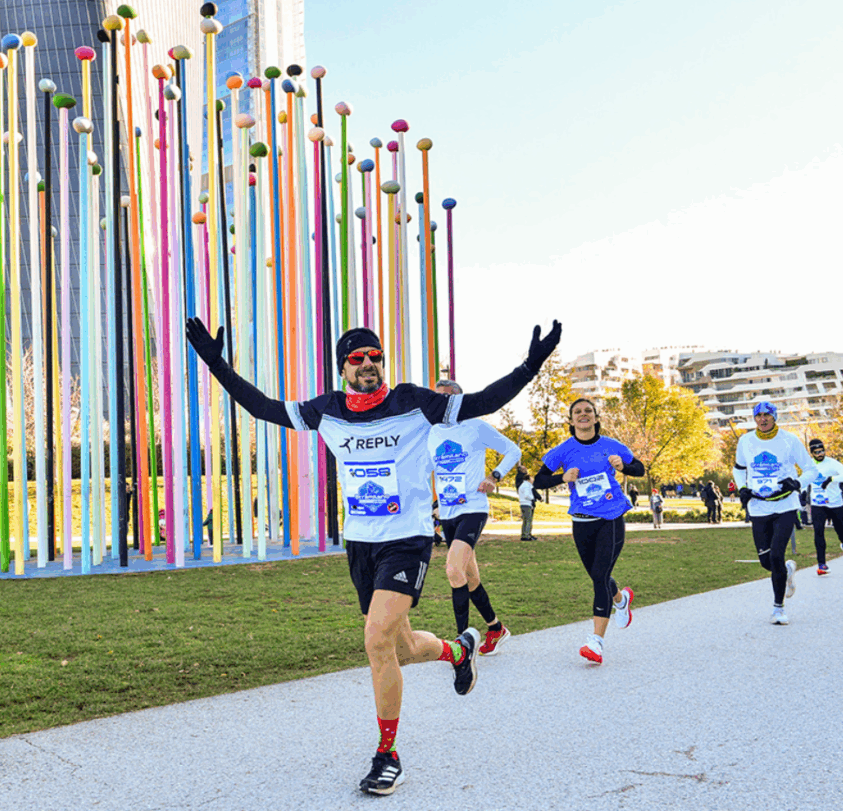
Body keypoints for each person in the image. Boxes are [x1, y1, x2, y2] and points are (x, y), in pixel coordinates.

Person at [185, 315, 561, 796]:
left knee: (376, 638)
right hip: (361, 543)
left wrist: (531, 365)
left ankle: (388, 755)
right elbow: (262, 408)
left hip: (407, 539)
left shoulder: (413, 401)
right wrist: (216, 364)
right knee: (401, 647)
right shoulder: (327, 410)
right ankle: (458, 650)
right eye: (357, 357)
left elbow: (484, 401)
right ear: (343, 367)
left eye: (375, 356)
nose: (368, 363)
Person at [533, 397, 644, 664]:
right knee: (598, 575)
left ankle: (596, 642)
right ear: (571, 420)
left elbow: (639, 468)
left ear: (596, 417)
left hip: (610, 516)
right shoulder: (563, 450)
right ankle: (620, 599)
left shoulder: (611, 445)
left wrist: (623, 467)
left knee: (599, 576)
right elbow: (538, 480)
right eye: (577, 412)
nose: (583, 415)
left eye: (588, 411)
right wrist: (562, 477)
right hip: (581, 521)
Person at [428, 378, 521, 655]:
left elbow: (513, 450)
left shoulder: (475, 426)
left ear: (459, 400)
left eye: (448, 398)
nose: (442, 403)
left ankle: (462, 643)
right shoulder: (431, 432)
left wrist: (494, 476)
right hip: (448, 512)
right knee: (470, 578)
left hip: (473, 508)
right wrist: (432, 505)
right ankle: (496, 628)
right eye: (438, 398)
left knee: (453, 569)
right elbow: (426, 471)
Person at [733, 401, 819, 625]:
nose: (762, 419)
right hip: (758, 506)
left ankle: (778, 609)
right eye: (758, 415)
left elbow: (811, 470)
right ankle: (786, 571)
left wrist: (797, 483)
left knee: (776, 555)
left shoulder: (789, 440)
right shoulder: (745, 441)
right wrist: (742, 488)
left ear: (774, 417)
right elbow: (738, 469)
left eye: (767, 415)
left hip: (785, 506)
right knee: (766, 561)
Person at [805, 438, 843, 575]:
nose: (820, 454)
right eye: (816, 452)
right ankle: (821, 564)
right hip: (818, 504)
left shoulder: (832, 463)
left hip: (835, 503)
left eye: (822, 451)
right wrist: (801, 493)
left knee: (841, 531)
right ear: (812, 453)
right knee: (818, 532)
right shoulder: (809, 465)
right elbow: (804, 480)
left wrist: (832, 479)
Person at [516, 465, 538, 541]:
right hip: (526, 503)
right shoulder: (525, 484)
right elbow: (527, 495)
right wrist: (533, 498)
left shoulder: (524, 484)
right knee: (528, 519)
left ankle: (525, 534)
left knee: (526, 520)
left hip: (524, 503)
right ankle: (526, 535)